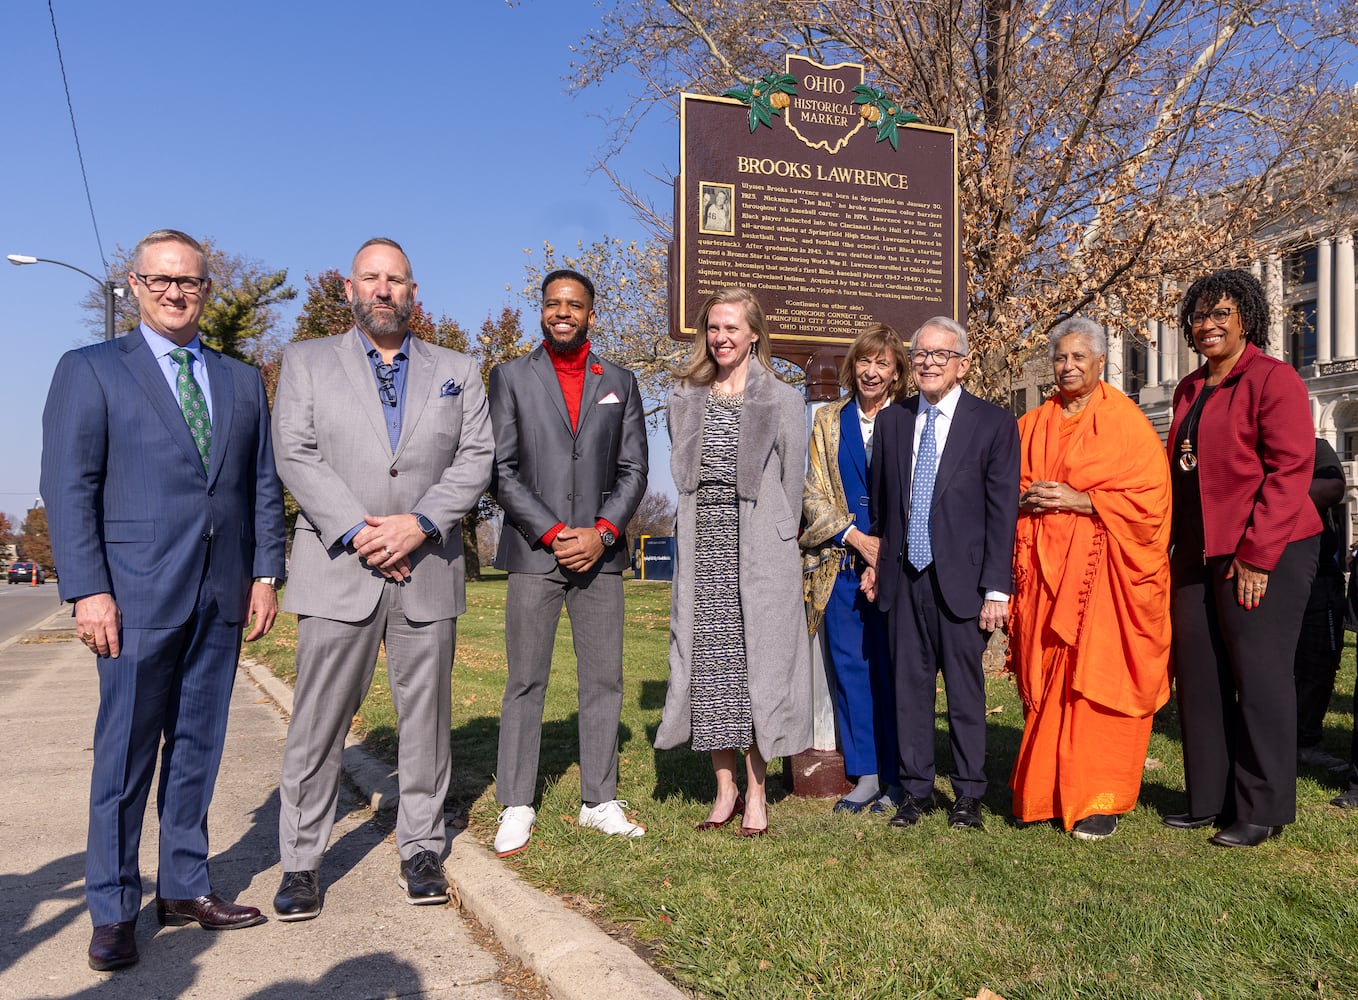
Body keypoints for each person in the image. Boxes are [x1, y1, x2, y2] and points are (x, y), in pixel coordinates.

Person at [40, 229, 286, 971]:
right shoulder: (90, 370)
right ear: (135, 286)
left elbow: (261, 484)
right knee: (125, 757)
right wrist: (88, 590)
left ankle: (184, 885)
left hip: (221, 591)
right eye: (161, 280)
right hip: (134, 594)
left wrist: (265, 574)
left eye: (190, 281)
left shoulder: (241, 380)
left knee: (199, 748)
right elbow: (70, 487)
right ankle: (113, 908)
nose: (176, 292)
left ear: (207, 289)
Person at [271, 238, 493, 918]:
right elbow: (295, 453)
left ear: (413, 292)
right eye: (371, 277)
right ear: (350, 287)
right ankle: (301, 863)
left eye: (395, 279)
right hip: (339, 566)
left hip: (427, 568)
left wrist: (419, 524)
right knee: (318, 723)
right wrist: (362, 532)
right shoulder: (306, 361)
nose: (383, 289)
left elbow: (476, 458)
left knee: (426, 723)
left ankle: (421, 848)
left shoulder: (458, 370)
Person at [489, 269, 649, 857]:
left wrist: (603, 532)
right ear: (542, 310)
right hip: (536, 551)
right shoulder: (510, 377)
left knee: (603, 679)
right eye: (554, 303)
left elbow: (634, 469)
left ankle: (599, 801)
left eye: (574, 305)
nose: (563, 312)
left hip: (601, 558)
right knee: (525, 680)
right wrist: (556, 532)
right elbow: (501, 469)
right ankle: (516, 802)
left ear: (590, 315)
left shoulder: (620, 382)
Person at [1165, 268, 1320, 847]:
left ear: (1246, 319)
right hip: (1197, 550)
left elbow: (1290, 470)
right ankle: (1210, 798)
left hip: (1264, 547)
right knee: (1200, 674)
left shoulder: (1274, 379)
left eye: (1220, 314)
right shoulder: (1188, 388)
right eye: (1199, 316)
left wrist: (1257, 556)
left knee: (1259, 675)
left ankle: (1262, 807)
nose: (1207, 325)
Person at [1006, 317, 1172, 841]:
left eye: (1079, 357)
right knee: (1047, 682)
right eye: (1060, 357)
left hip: (1104, 579)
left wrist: (1085, 501)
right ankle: (1048, 792)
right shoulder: (1031, 424)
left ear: (1101, 361)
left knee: (1099, 681)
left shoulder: (1127, 423)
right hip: (1043, 577)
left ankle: (1101, 798)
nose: (1068, 366)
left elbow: (1152, 504)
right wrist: (1025, 497)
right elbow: (1002, 486)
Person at [656, 287, 812, 836]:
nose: (721, 338)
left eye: (732, 328)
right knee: (711, 667)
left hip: (762, 547)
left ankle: (758, 793)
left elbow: (791, 481)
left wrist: (773, 532)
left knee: (758, 669)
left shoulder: (784, 399)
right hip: (705, 544)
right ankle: (724, 791)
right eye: (714, 328)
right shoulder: (685, 394)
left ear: (753, 335)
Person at [863, 316, 1019, 831]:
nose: (928, 362)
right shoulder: (893, 422)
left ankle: (969, 794)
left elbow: (1002, 514)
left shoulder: (993, 423)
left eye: (940, 354)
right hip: (904, 578)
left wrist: (996, 590)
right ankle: (916, 791)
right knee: (909, 690)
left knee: (965, 693)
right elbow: (883, 508)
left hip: (963, 584)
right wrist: (878, 565)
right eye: (921, 354)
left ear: (963, 364)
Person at [802, 323, 909, 813]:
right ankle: (866, 774)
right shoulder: (829, 420)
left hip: (900, 567)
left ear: (897, 372)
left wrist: (885, 550)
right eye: (864, 361)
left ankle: (900, 774)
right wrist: (856, 538)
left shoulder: (911, 418)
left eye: (883, 363)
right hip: (842, 564)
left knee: (897, 670)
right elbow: (812, 492)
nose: (871, 371)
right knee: (851, 669)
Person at [1293, 439, 1347, 771]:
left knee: (1319, 660)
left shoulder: (1315, 448)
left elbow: (1332, 489)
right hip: (1268, 569)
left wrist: (1275, 490)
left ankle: (1306, 741)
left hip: (1318, 574)